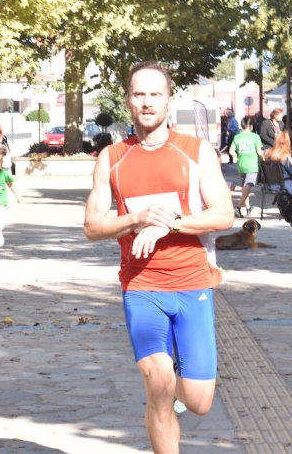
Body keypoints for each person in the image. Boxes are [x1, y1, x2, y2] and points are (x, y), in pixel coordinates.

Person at [83, 61, 233, 453]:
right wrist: (135, 218)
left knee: (198, 402)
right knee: (159, 381)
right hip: (141, 286)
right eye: (139, 95)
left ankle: (176, 380)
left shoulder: (195, 152)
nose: (147, 103)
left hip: (192, 283)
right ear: (128, 101)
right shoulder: (112, 158)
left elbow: (224, 214)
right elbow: (92, 226)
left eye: (155, 94)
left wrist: (171, 223)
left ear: (169, 99)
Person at [228, 117, 261, 216]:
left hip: (241, 165)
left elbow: (231, 151)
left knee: (244, 187)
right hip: (252, 165)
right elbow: (259, 152)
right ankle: (238, 207)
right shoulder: (255, 137)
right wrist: (264, 156)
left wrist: (238, 156)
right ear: (251, 126)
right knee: (248, 185)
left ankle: (248, 208)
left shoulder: (237, 137)